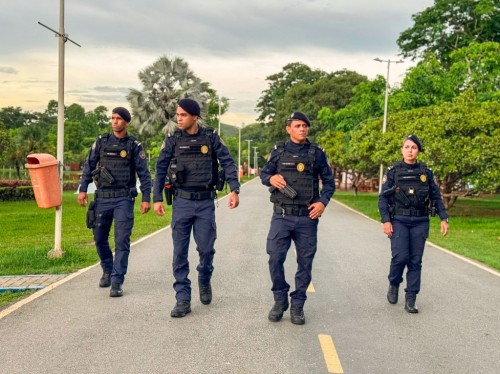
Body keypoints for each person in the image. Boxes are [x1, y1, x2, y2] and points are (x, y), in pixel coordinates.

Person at [153, 98, 240, 318]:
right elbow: (161, 167)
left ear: (194, 116)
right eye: (177, 115)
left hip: (204, 203)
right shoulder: (173, 139)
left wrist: (234, 189)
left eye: (183, 115)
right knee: (179, 253)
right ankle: (182, 298)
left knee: (206, 249)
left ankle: (204, 276)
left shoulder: (210, 137)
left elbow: (228, 161)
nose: (179, 119)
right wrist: (156, 198)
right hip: (181, 202)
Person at [260, 111, 335, 325]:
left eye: (304, 125)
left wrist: (322, 202)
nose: (302, 129)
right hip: (281, 216)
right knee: (274, 257)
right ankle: (279, 299)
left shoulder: (316, 153)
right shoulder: (278, 151)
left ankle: (298, 304)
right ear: (288, 129)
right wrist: (271, 178)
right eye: (297, 125)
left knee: (305, 263)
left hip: (306, 219)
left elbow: (329, 183)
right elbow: (264, 174)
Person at [78, 107, 151, 297]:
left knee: (121, 241)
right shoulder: (101, 142)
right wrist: (83, 189)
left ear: (126, 122)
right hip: (102, 197)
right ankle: (107, 270)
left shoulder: (134, 145)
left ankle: (117, 280)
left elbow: (144, 173)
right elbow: (89, 165)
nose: (114, 121)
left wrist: (146, 198)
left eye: (119, 118)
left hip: (123, 199)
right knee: (99, 238)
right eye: (112, 118)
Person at [378, 134, 449, 313]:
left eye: (414, 148)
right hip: (399, 220)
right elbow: (383, 198)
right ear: (402, 149)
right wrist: (386, 220)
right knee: (400, 257)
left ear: (418, 151)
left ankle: (411, 298)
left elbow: (436, 196)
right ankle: (394, 283)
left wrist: (443, 218)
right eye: (407, 147)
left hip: (420, 221)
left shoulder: (426, 172)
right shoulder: (393, 170)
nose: (410, 151)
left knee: (415, 260)